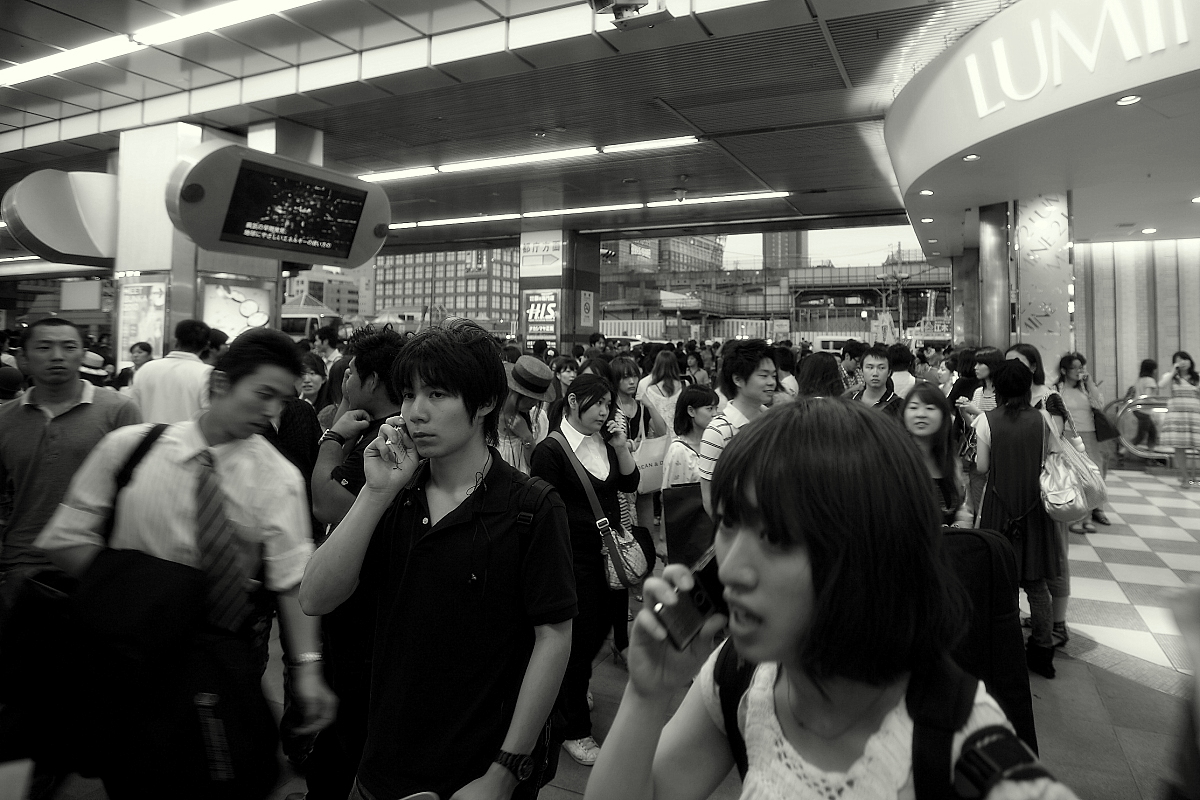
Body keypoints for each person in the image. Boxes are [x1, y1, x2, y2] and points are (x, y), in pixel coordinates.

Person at [584, 398, 1078, 800]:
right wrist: (647, 696)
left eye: (776, 537)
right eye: (730, 523)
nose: (730, 568)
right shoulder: (741, 676)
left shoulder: (970, 759)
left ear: (869, 551)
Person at [36, 328, 337, 795]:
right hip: (129, 653)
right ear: (220, 384)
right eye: (263, 394)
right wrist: (157, 590)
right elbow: (65, 539)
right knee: (131, 771)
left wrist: (308, 670)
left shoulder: (278, 479)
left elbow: (290, 579)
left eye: (282, 400)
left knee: (218, 768)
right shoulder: (131, 449)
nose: (272, 411)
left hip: (218, 655)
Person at [300, 319, 575, 800]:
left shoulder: (530, 507)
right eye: (409, 395)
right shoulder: (393, 494)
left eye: (438, 395)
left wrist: (504, 772)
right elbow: (314, 597)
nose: (415, 413)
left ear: (484, 403)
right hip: (379, 766)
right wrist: (375, 493)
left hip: (476, 775)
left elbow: (553, 638)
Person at [306, 325, 407, 800]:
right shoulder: (386, 428)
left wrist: (331, 436)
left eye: (351, 373)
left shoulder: (380, 438)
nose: (343, 379)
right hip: (372, 602)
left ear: (371, 380)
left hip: (361, 607)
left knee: (349, 724)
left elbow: (327, 503)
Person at [531, 373, 637, 767]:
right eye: (599, 403)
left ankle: (570, 690)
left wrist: (621, 445)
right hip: (572, 561)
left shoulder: (604, 442)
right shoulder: (551, 450)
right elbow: (543, 513)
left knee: (598, 632)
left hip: (608, 560)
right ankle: (573, 728)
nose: (605, 412)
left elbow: (631, 482)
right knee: (575, 644)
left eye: (609, 405)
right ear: (573, 401)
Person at [0, 318, 143, 582]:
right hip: (21, 560)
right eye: (44, 347)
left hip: (95, 561)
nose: (57, 356)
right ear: (23, 358)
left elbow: (138, 492)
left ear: (82, 355)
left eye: (69, 347)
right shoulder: (5, 418)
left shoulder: (119, 410)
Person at [974, 361, 1062, 679]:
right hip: (1035, 509)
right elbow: (1053, 458)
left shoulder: (986, 420)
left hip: (999, 509)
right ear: (1028, 387)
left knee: (1004, 584)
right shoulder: (1043, 419)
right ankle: (1042, 652)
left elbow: (982, 467)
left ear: (997, 388)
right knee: (1037, 586)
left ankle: (1006, 651)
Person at [1006, 343, 1071, 647]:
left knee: (1054, 558)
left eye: (1018, 362)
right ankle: (1040, 618)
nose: (1011, 369)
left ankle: (1058, 624)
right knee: (1030, 561)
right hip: (1020, 492)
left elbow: (1053, 442)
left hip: (1049, 489)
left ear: (1033, 366)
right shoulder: (1010, 398)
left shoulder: (1049, 398)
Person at [698, 339, 775, 516]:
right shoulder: (718, 431)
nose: (771, 382)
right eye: (763, 376)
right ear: (738, 379)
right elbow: (709, 498)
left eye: (773, 375)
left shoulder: (774, 422)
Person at [1053, 352, 1109, 529]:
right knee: (1075, 475)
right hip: (1068, 434)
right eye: (1074, 368)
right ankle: (1077, 517)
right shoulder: (1057, 388)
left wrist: (1090, 383)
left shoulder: (1085, 388)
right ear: (1064, 370)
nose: (1079, 371)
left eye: (1081, 367)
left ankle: (1089, 515)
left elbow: (1099, 404)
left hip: (1089, 435)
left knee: (1093, 474)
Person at [903, 382, 971, 526]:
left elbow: (963, 506)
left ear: (943, 416)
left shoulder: (951, 461)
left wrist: (960, 524)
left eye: (930, 408)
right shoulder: (896, 461)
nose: (921, 414)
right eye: (913, 407)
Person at [129, 318, 213, 423]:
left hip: (147, 433)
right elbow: (210, 416)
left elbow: (134, 410)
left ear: (175, 341)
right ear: (207, 345)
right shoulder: (207, 373)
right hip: (188, 433)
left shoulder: (145, 369)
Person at [498, 355, 557, 474]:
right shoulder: (487, 415)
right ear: (513, 390)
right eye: (529, 397)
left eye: (538, 399)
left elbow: (536, 465)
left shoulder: (538, 419)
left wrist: (527, 437)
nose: (534, 403)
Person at [1161, 351, 1200, 488]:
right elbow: (1161, 385)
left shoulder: (1197, 377)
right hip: (1177, 416)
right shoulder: (1171, 377)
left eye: (1185, 359)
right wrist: (1173, 371)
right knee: (1179, 447)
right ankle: (1185, 478)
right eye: (1179, 360)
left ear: (1190, 361)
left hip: (1195, 416)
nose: (1183, 362)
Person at [844, 343, 903, 417]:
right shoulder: (850, 403)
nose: (875, 373)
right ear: (861, 371)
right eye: (870, 367)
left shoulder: (899, 406)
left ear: (889, 372)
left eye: (881, 368)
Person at [643, 350, 685, 434]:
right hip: (682, 434)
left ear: (657, 365)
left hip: (661, 437)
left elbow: (650, 418)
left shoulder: (651, 390)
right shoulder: (684, 385)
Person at [1131, 358, 1160, 452]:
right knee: (1142, 434)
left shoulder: (1139, 380)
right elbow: (1147, 396)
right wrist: (1157, 402)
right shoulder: (1150, 381)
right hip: (1144, 410)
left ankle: (1151, 452)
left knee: (1152, 432)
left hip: (1136, 408)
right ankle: (1124, 451)